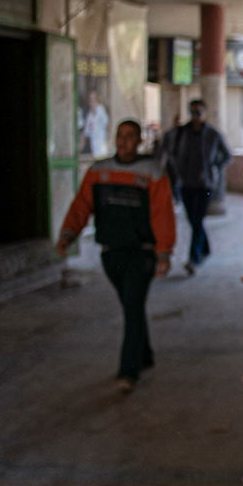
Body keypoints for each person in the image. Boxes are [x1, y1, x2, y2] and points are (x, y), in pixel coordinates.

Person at [57, 120, 175, 393]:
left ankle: (128, 371)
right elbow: (81, 206)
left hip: (141, 253)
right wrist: (68, 235)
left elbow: (162, 214)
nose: (124, 141)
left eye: (130, 136)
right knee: (131, 306)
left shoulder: (152, 171)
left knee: (132, 307)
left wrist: (164, 253)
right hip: (111, 254)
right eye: (120, 136)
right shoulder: (99, 171)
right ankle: (144, 355)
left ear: (139, 141)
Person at [165, 99, 231, 275]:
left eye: (199, 112)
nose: (195, 116)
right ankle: (206, 248)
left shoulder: (212, 134)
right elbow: (169, 149)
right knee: (194, 220)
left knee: (197, 219)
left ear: (205, 113)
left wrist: (214, 166)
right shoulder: (181, 133)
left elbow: (227, 155)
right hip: (186, 182)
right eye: (193, 112)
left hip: (205, 184)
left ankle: (194, 258)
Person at [81, 90, 110, 157]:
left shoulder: (101, 111)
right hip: (95, 149)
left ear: (97, 100)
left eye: (94, 100)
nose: (92, 102)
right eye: (90, 100)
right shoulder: (90, 116)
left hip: (102, 149)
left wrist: (108, 142)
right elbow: (86, 134)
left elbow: (108, 125)